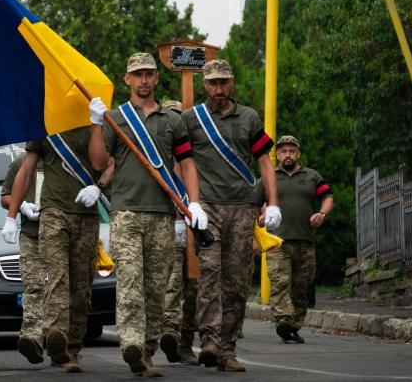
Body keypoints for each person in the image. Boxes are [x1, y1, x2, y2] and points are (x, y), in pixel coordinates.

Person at [88, 52, 207, 377]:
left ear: (156, 79)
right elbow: (99, 163)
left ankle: (148, 349)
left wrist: (193, 204)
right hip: (126, 213)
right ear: (127, 79)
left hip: (162, 217)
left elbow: (186, 164)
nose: (143, 80)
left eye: (149, 74)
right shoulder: (116, 118)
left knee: (156, 289)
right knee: (129, 281)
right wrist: (97, 125)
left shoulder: (173, 121)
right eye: (137, 74)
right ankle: (131, 343)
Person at [181, 58, 281, 372]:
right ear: (204, 84)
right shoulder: (191, 120)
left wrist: (273, 202)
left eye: (224, 82)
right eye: (213, 83)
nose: (219, 89)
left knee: (237, 281)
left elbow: (265, 163)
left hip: (242, 208)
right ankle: (209, 341)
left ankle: (227, 349)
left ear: (232, 82)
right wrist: (187, 204)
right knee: (210, 272)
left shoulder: (249, 117)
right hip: (207, 205)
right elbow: (180, 162)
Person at [3, 127, 110, 373]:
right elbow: (22, 176)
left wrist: (100, 186)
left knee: (81, 286)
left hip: (85, 218)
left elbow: (108, 162)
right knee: (49, 280)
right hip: (46, 221)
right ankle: (49, 334)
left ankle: (70, 349)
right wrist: (14, 214)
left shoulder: (96, 127)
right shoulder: (42, 132)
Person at [267, 134, 333, 344]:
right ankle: (283, 319)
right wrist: (260, 215)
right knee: (280, 283)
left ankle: (293, 327)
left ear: (298, 154)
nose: (287, 154)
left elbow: (328, 197)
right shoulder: (269, 176)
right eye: (283, 151)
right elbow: (255, 201)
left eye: (291, 151)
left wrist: (322, 213)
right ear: (277, 154)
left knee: (300, 288)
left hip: (305, 241)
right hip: (277, 242)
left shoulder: (312, 176)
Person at [158, 99, 199, 365]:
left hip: (194, 231)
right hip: (169, 229)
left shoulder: (193, 156)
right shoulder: (157, 157)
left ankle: (185, 343)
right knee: (171, 286)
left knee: (194, 289)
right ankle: (170, 333)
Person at [0, 153, 45, 365]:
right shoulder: (22, 162)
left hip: (62, 235)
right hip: (31, 234)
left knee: (60, 288)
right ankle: (32, 338)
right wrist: (22, 205)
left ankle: (59, 339)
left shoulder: (64, 158)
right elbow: (5, 196)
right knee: (33, 285)